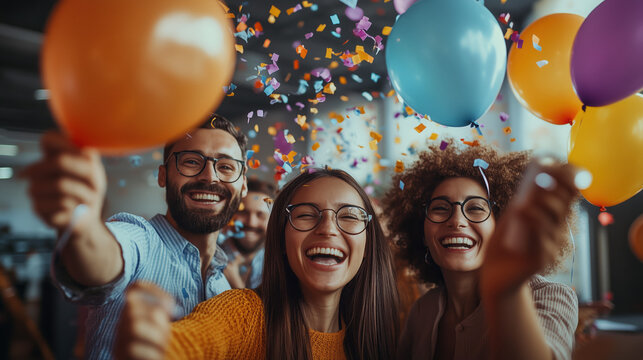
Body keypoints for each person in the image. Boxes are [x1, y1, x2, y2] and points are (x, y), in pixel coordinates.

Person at [22, 114, 248, 359]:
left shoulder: (224, 287)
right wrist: (82, 226)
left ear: (243, 184)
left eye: (226, 167)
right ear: (163, 176)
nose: (210, 176)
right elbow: (104, 260)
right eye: (192, 162)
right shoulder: (140, 239)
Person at [114, 168, 400, 360]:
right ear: (281, 238)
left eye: (349, 215)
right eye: (305, 214)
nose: (328, 229)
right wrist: (153, 344)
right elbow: (188, 343)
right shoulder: (243, 315)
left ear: (368, 244)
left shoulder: (382, 333)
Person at [383, 140, 580, 360]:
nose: (457, 221)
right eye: (440, 208)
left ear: (500, 225)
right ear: (422, 234)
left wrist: (507, 291)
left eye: (476, 208)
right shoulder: (421, 311)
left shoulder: (549, 296)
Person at [221, 178, 275, 289]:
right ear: (230, 214)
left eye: (261, 215)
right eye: (243, 213)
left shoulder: (278, 266)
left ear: (272, 221)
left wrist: (237, 285)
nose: (251, 223)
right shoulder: (211, 259)